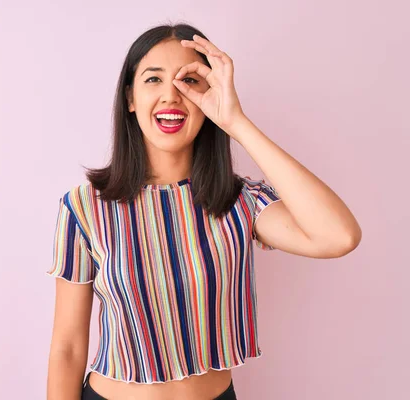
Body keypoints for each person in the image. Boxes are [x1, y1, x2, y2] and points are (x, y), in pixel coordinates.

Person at [45, 23, 362, 400]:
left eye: (189, 81)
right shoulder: (85, 208)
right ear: (130, 97)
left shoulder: (241, 201)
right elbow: (67, 347)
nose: (170, 97)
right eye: (153, 80)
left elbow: (339, 236)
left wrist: (236, 122)